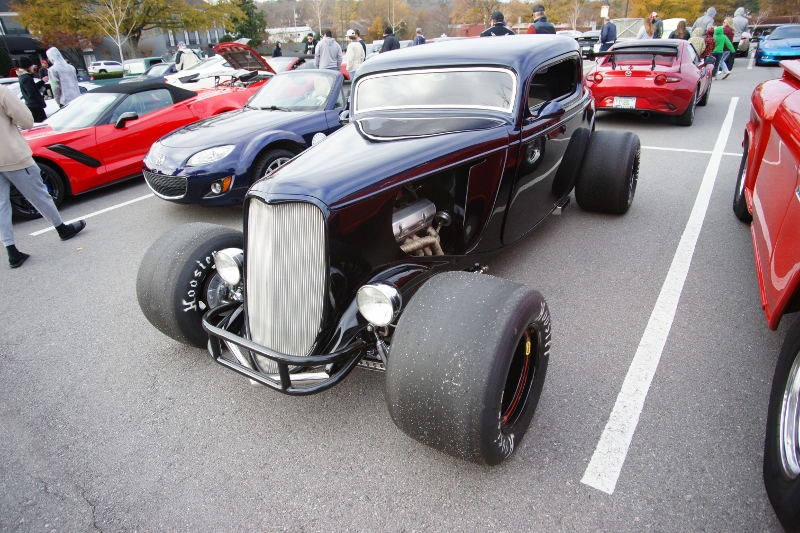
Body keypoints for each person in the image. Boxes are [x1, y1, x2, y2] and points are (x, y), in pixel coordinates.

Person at [0, 84, 86, 268]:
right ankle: (62, 228)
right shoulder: (2, 92)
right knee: (38, 194)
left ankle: (11, 251)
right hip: (12, 155)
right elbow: (27, 121)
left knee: (1, 206)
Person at [15, 57, 47, 123]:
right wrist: (41, 103)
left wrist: (42, 81)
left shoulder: (22, 76)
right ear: (28, 67)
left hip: (31, 105)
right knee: (42, 124)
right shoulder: (27, 77)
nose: (33, 67)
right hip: (35, 107)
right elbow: (32, 93)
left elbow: (33, 88)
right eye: (32, 66)